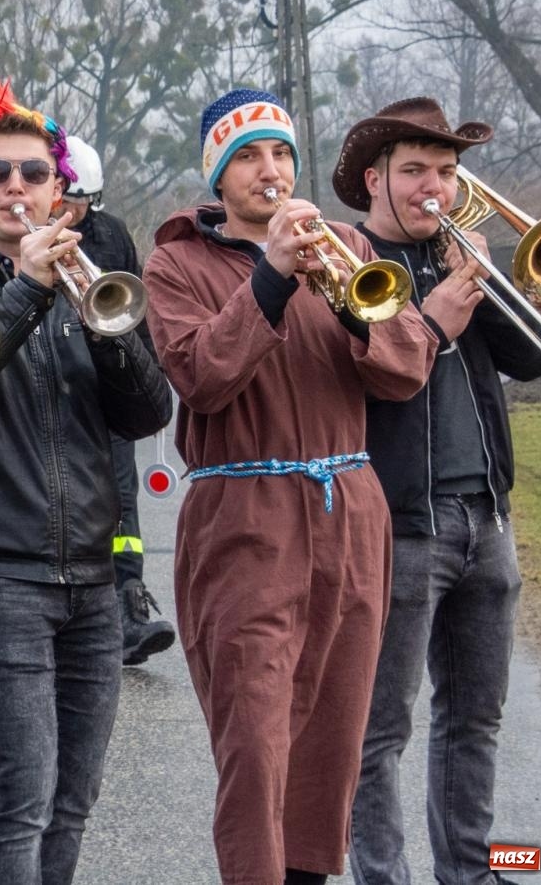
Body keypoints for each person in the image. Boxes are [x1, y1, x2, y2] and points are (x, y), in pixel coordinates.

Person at [141, 88, 439, 885]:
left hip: (350, 505)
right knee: (255, 735)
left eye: (280, 154)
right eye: (247, 156)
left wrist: (351, 310)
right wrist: (270, 278)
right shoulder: (176, 262)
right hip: (245, 511)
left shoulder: (342, 244)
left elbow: (408, 366)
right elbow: (201, 377)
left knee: (334, 740)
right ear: (217, 173)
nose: (268, 171)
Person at [0, 61, 173, 885]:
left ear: (60, 191)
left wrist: (98, 320)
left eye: (37, 173)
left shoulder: (84, 281)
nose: (18, 187)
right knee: (19, 794)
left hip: (92, 580)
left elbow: (147, 414)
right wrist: (26, 288)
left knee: (72, 798)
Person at [337, 99, 541, 885]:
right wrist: (430, 316)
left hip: (486, 516)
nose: (437, 188)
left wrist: (489, 285)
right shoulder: (353, 267)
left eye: (449, 173)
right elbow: (371, 381)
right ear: (374, 180)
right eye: (417, 171)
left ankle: (470, 870)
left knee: (474, 717)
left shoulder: (466, 258)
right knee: (379, 727)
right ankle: (383, 876)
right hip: (400, 523)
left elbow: (531, 362)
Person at [59, 135, 177, 666]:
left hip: (108, 388)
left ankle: (129, 606)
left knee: (122, 504)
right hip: (57, 392)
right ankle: (69, 615)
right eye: (62, 197)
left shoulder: (109, 235)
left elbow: (134, 309)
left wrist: (148, 378)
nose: (66, 210)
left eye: (76, 202)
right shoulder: (21, 238)